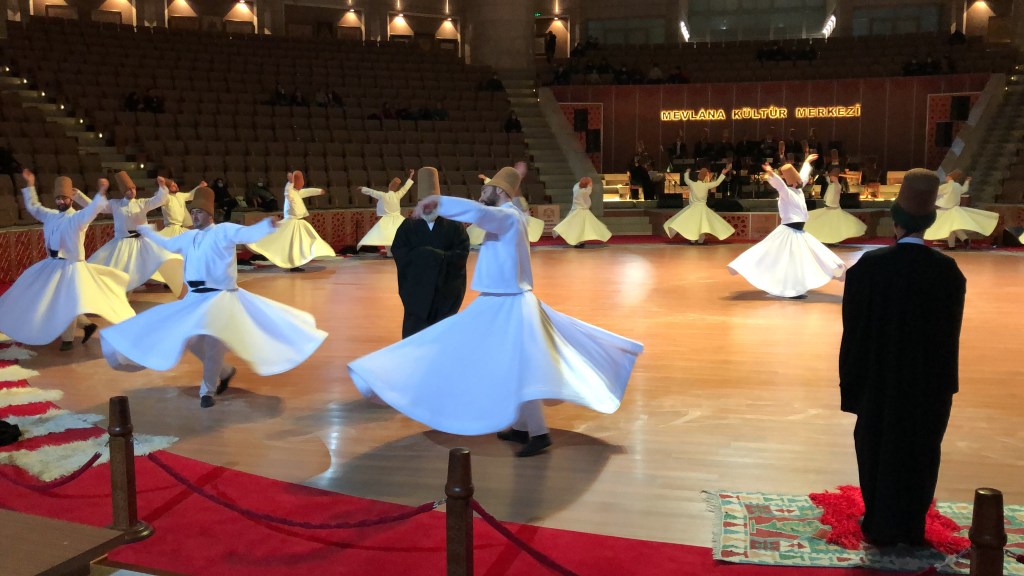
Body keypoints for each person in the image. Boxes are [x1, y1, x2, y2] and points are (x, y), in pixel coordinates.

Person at [348, 166, 644, 457]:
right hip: (501, 300)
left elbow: (480, 214)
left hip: (508, 302)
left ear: (500, 192)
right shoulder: (510, 216)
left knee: (517, 366)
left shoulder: (507, 216)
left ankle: (539, 433)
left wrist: (438, 202)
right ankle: (521, 427)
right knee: (512, 364)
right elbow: (483, 213)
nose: (481, 194)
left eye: (486, 189)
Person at [100, 187, 328, 408]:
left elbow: (247, 233)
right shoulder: (189, 237)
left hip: (221, 298)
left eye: (199, 212)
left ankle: (206, 391)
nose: (194, 215)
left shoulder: (223, 231)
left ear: (210, 214)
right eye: (193, 212)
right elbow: (167, 243)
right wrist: (147, 231)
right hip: (194, 300)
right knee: (190, 340)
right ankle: (225, 372)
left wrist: (266, 226)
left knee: (212, 345)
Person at [839, 168, 965, 547]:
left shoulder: (869, 268)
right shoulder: (948, 272)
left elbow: (854, 332)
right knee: (920, 450)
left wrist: (852, 385)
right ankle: (911, 525)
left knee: (875, 447)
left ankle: (878, 522)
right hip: (928, 385)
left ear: (895, 220)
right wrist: (945, 387)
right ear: (930, 222)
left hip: (878, 381)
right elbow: (949, 338)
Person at [0, 170, 134, 350]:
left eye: (64, 198)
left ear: (71, 199)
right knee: (46, 296)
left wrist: (101, 192)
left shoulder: (77, 218)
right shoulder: (51, 216)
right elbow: (34, 207)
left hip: (71, 266)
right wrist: (30, 185)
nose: (61, 202)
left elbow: (92, 211)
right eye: (58, 199)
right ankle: (86, 325)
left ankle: (68, 339)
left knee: (67, 301)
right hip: (52, 264)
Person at [727, 155, 846, 298]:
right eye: (799, 180)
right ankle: (791, 289)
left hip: (798, 232)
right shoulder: (787, 192)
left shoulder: (798, 190)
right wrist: (771, 174)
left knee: (799, 260)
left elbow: (803, 176)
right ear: (794, 183)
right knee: (789, 261)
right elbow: (780, 185)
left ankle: (794, 287)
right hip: (789, 232)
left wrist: (807, 162)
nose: (802, 181)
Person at [390, 167, 470, 338]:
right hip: (417, 292)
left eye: (431, 202)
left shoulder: (454, 227)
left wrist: (437, 256)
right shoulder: (408, 227)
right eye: (423, 202)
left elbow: (461, 254)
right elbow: (399, 252)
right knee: (415, 337)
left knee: (443, 336)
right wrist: (425, 255)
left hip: (445, 293)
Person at [84, 172, 183, 294]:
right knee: (118, 267)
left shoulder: (141, 203)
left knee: (161, 258)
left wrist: (162, 186)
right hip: (123, 242)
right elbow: (95, 207)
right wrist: (82, 195)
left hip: (141, 241)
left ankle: (171, 281)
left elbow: (158, 200)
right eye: (129, 189)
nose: (132, 191)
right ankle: (121, 290)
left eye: (133, 188)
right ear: (123, 192)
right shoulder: (115, 204)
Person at [247, 171, 334, 272]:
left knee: (303, 241)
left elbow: (307, 191)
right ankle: (293, 264)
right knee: (291, 243)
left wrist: (318, 191)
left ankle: (297, 262)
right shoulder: (290, 192)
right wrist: (290, 182)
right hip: (291, 222)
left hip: (298, 222)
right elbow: (287, 190)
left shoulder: (297, 192)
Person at [923, 170, 998, 250]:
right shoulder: (957, 185)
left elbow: (935, 192)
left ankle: (960, 242)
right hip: (954, 210)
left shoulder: (947, 186)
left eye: (947, 176)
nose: (946, 177)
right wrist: (967, 181)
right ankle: (957, 243)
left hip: (946, 210)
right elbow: (964, 189)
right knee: (952, 227)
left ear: (950, 177)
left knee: (951, 227)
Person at [664, 165, 735, 245]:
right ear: (705, 177)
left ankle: (693, 240)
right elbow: (717, 183)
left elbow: (686, 180)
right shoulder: (706, 185)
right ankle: (699, 241)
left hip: (693, 208)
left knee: (694, 224)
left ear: (698, 176)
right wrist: (723, 174)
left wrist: (687, 172)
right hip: (702, 209)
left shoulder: (693, 184)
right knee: (702, 225)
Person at [356, 170, 415, 255]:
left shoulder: (383, 195)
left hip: (387, 219)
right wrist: (410, 177)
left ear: (389, 186)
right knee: (397, 235)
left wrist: (363, 188)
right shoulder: (397, 195)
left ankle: (390, 253)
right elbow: (405, 188)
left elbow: (372, 192)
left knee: (387, 236)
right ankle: (395, 252)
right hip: (397, 219)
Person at [804, 169, 867, 244]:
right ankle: (829, 240)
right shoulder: (833, 185)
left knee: (833, 225)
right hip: (831, 208)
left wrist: (829, 204)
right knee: (826, 224)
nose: (830, 178)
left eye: (831, 176)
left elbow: (832, 198)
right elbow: (829, 195)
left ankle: (832, 240)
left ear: (835, 177)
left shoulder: (836, 186)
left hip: (833, 208)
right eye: (830, 176)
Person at [552, 177, 612, 247]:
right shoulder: (584, 191)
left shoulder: (576, 187)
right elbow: (588, 191)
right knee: (581, 227)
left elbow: (580, 185)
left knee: (577, 227)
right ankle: (578, 242)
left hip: (576, 210)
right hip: (581, 211)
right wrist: (589, 185)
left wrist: (586, 182)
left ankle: (579, 241)